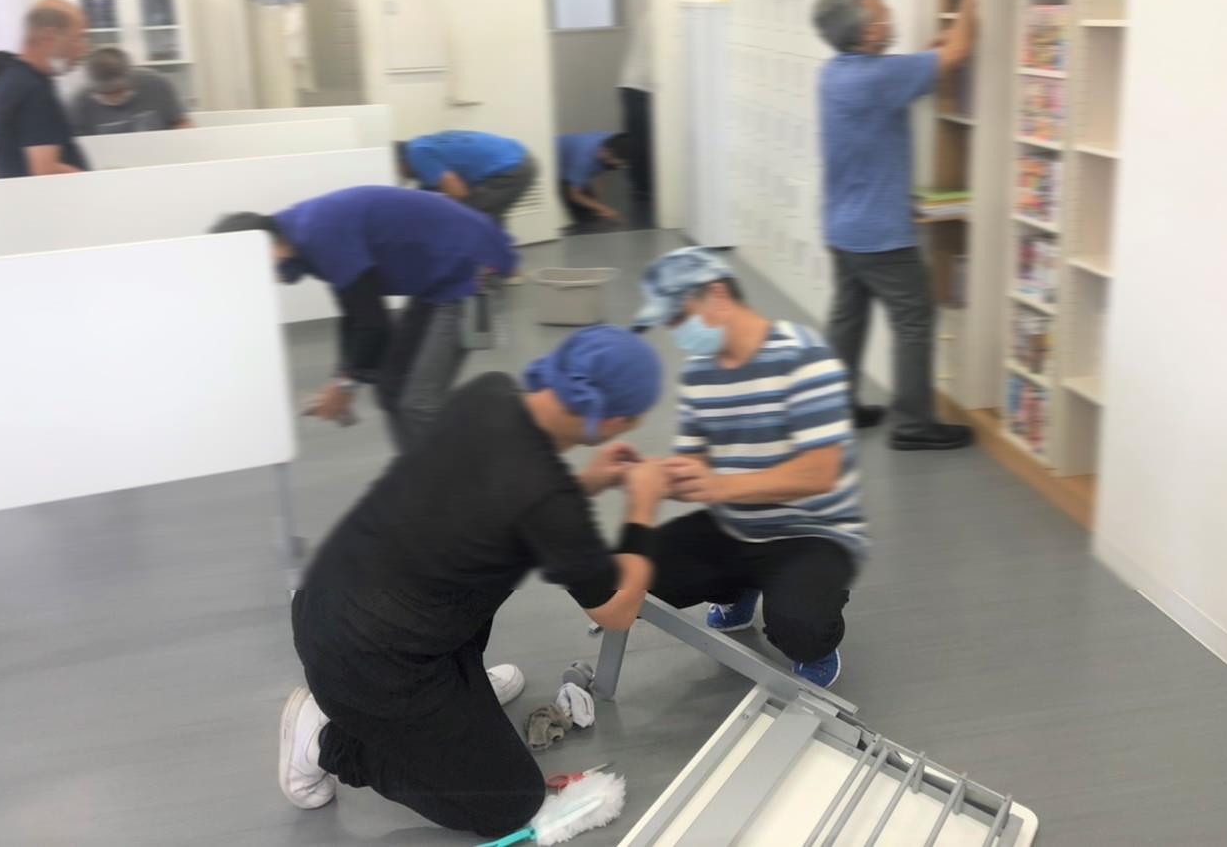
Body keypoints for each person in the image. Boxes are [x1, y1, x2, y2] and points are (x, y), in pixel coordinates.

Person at [280, 326, 672, 837]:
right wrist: (643, 507)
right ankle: (325, 740)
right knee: (511, 804)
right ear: (615, 420)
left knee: (480, 562)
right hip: (367, 664)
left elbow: (516, 504)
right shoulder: (548, 502)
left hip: (329, 599)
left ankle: (460, 693)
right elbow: (617, 611)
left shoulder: (490, 393)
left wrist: (591, 482)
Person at [632, 247, 864, 688]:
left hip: (810, 532)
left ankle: (814, 633)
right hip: (736, 522)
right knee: (633, 574)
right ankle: (740, 586)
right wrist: (657, 476)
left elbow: (820, 474)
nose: (676, 331)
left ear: (717, 295)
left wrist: (720, 486)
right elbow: (694, 466)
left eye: (679, 317)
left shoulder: (804, 357)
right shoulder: (699, 375)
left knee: (801, 628)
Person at [210, 185, 516, 454]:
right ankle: (418, 478)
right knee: (391, 389)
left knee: (419, 403)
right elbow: (355, 310)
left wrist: (344, 385)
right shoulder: (300, 232)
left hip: (473, 271)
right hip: (442, 277)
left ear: (268, 251)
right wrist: (343, 377)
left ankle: (459, 486)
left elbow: (374, 325)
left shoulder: (318, 233)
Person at [812, 0, 977, 451]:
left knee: (848, 320)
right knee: (914, 319)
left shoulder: (836, 73)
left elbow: (917, 68)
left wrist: (933, 53)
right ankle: (913, 424)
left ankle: (836, 407)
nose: (890, 18)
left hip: (841, 228)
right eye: (883, 14)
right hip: (881, 236)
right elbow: (959, 51)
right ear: (867, 33)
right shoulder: (881, 78)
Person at [0, 0, 91, 178]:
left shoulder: (12, 79)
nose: (84, 49)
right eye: (78, 38)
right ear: (49, 36)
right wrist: (96, 182)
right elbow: (46, 171)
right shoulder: (32, 91)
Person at [396, 129, 538, 228]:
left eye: (397, 171)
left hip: (512, 167)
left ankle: (491, 257)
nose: (399, 176)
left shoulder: (417, 155)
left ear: (401, 162)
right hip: (516, 155)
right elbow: (427, 194)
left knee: (470, 214)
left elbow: (458, 193)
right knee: (488, 214)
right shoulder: (421, 145)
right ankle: (497, 256)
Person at [68, 47, 190, 135]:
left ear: (131, 76)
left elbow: (182, 124)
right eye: (106, 94)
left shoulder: (157, 84)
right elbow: (78, 147)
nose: (114, 98)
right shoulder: (80, 103)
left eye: (119, 91)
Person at [555, 131, 631, 229]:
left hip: (571, 164)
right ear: (606, 150)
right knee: (582, 216)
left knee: (592, 208)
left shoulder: (612, 141)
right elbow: (573, 194)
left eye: (618, 164)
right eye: (612, 161)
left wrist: (599, 205)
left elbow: (600, 171)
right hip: (551, 164)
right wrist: (605, 209)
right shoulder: (583, 160)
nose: (601, 155)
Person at [617, 15, 654, 204]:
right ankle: (644, 188)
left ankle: (640, 187)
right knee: (644, 140)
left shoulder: (650, 16)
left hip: (630, 84)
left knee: (638, 139)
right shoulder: (659, 17)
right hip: (640, 86)